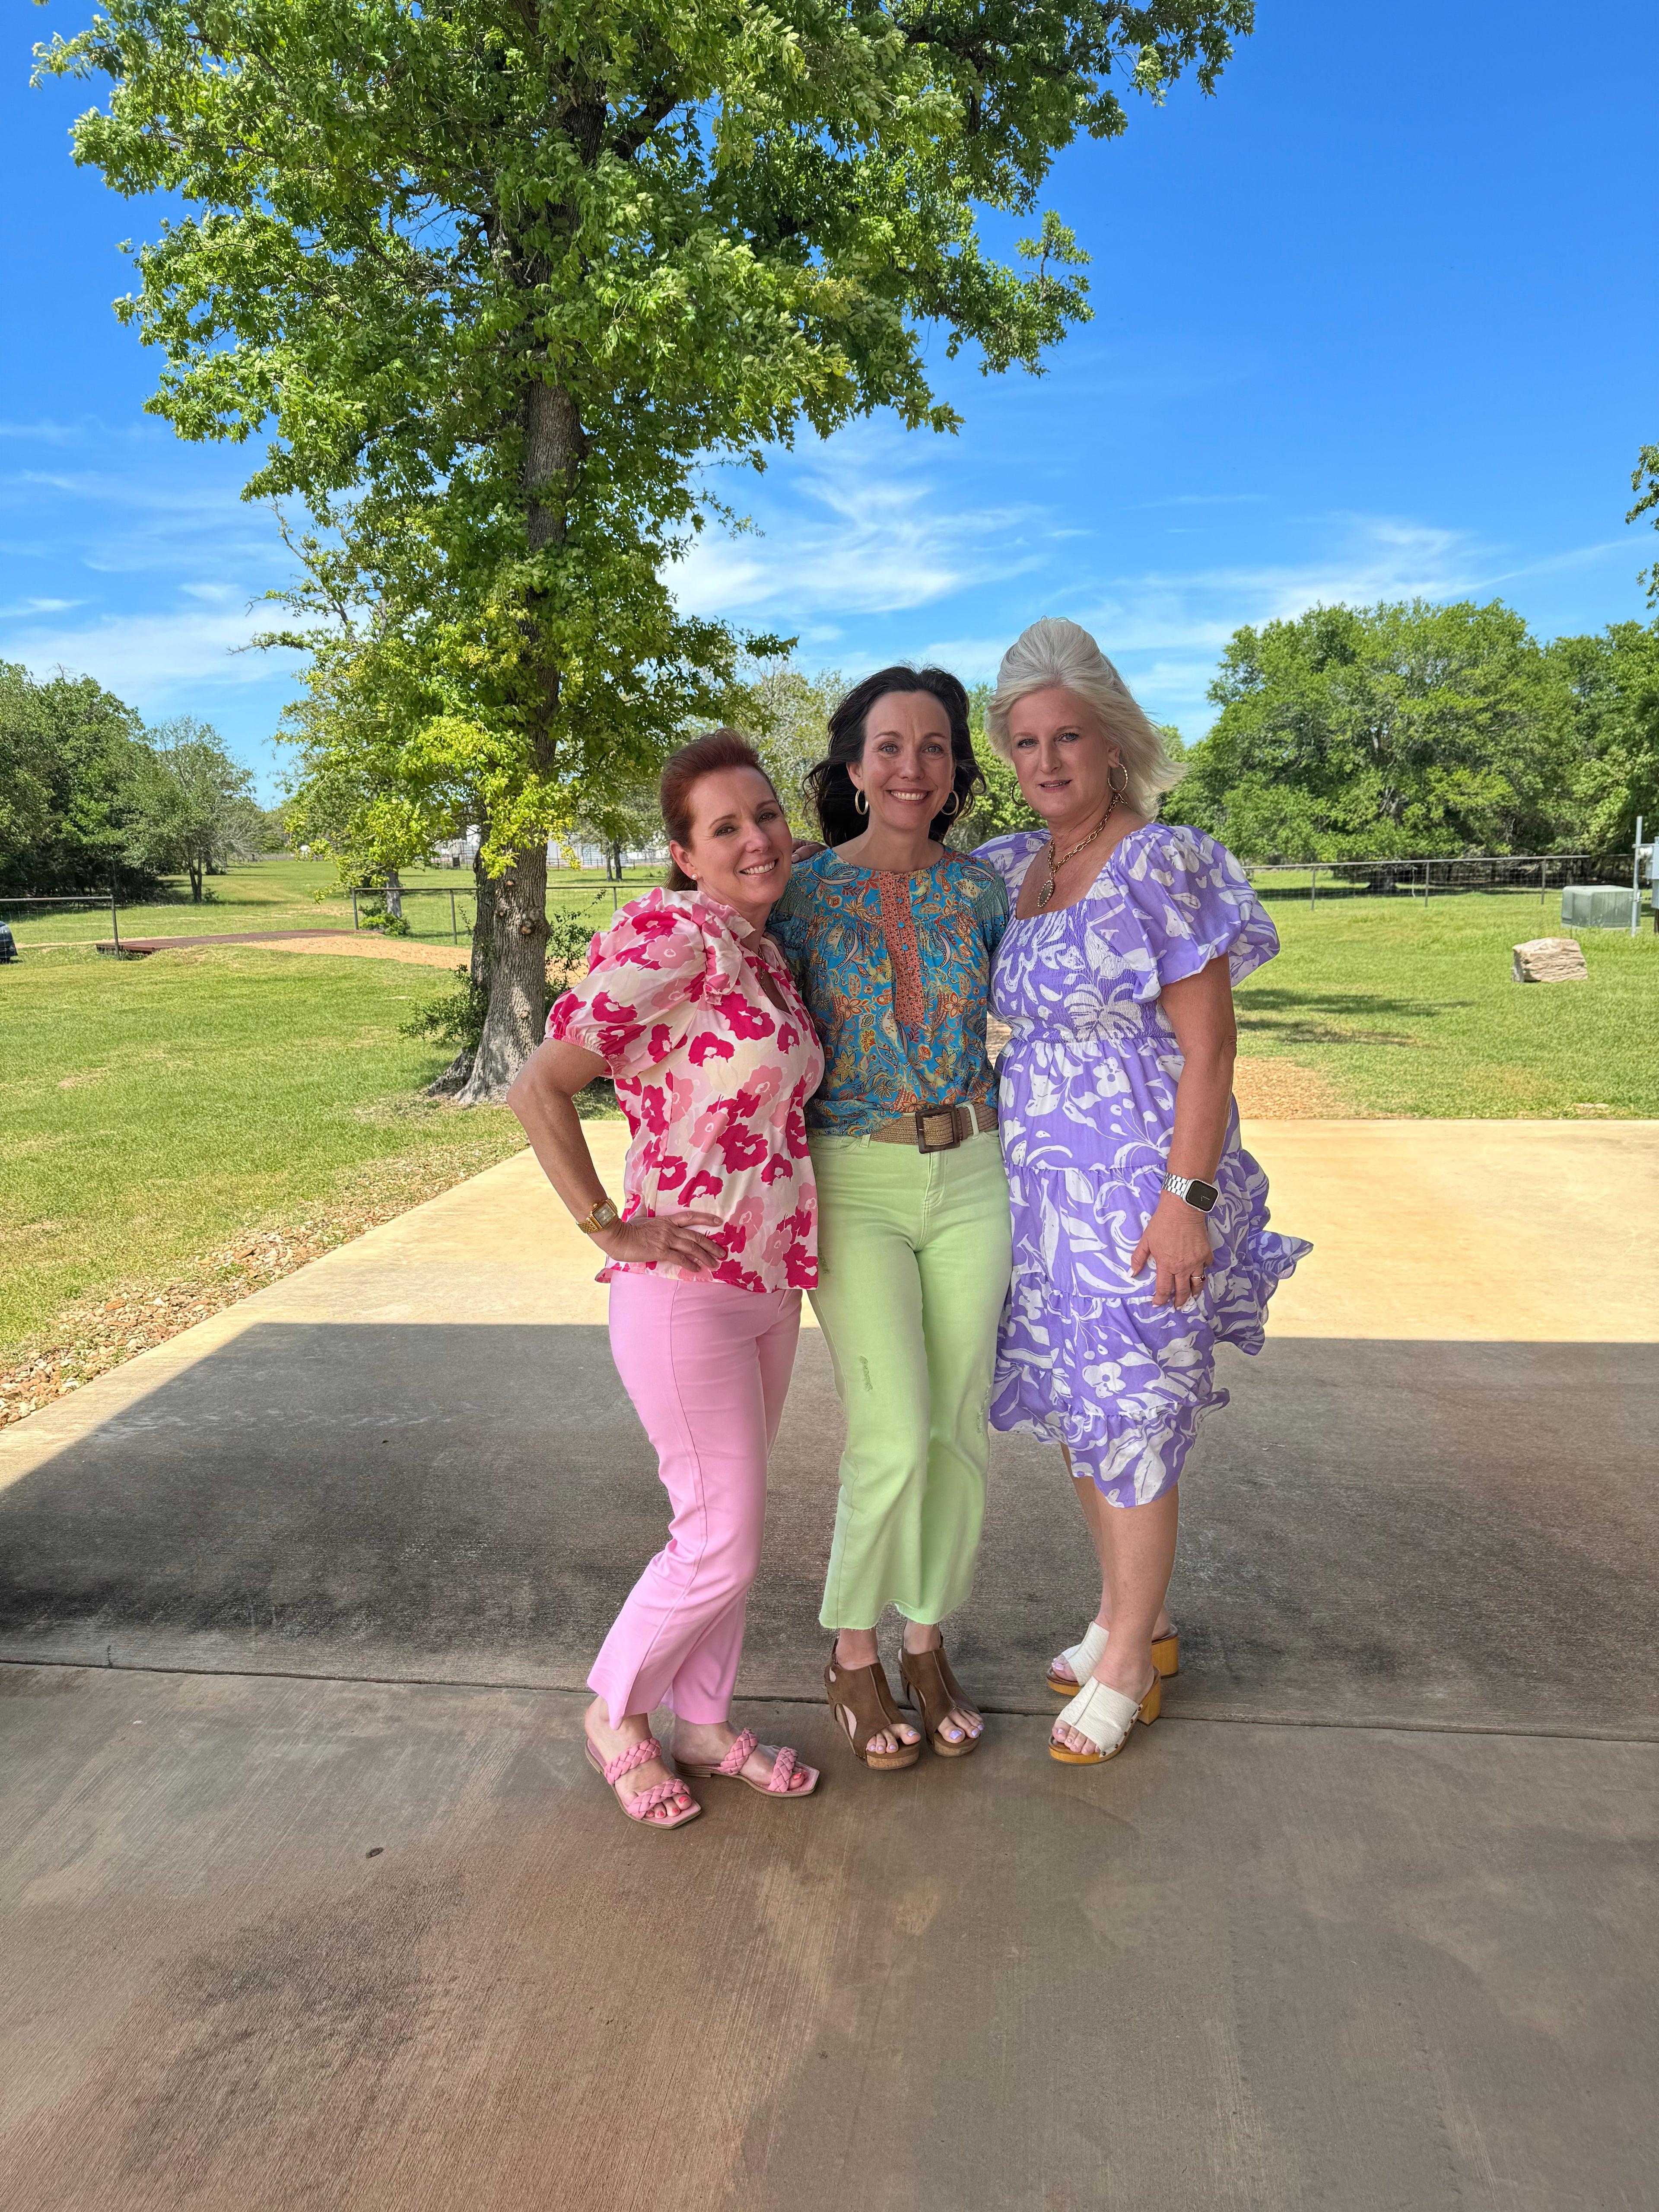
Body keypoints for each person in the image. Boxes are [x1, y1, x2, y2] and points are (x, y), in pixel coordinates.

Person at [974, 619, 1310, 1768]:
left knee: (1136, 1408)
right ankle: (1136, 1618)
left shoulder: (1165, 862)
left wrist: (1188, 1200)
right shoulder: (1014, 868)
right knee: (1079, 1404)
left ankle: (1126, 1662)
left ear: (1112, 742)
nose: (1048, 760)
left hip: (1136, 1185)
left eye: (1069, 736)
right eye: (1025, 742)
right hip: (1037, 1192)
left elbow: (1211, 1050)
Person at [507, 729, 824, 1830]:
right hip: (683, 1289)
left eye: (766, 815)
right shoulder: (673, 940)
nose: (756, 839)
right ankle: (616, 1710)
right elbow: (538, 1088)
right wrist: (612, 1224)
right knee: (720, 1534)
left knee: (729, 1525)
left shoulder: (766, 954)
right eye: (724, 827)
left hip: (767, 1286)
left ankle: (700, 1719)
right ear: (684, 855)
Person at [769, 667, 1011, 1770]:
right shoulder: (803, 893)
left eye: (934, 747)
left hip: (976, 1169)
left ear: (958, 766)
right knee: (891, 1430)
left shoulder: (985, 892)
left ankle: (925, 1639)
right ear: (854, 764)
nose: (911, 766)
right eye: (888, 746)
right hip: (854, 1176)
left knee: (958, 1422)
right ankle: (852, 1652)